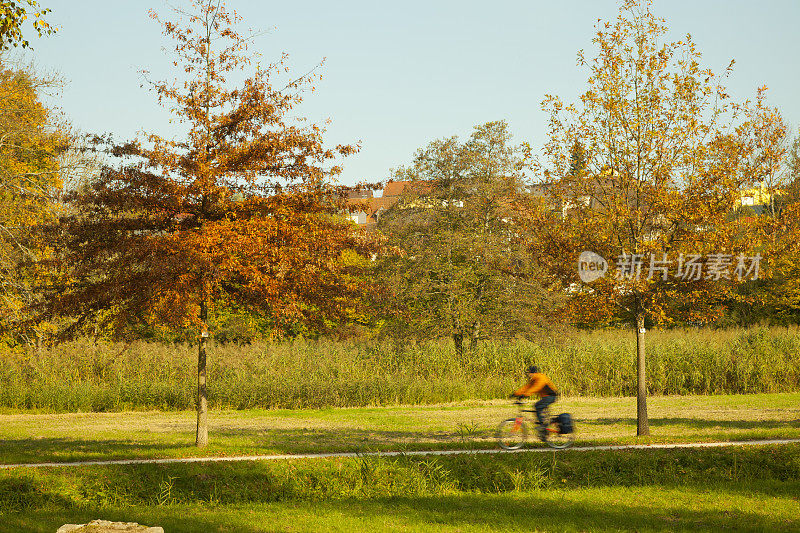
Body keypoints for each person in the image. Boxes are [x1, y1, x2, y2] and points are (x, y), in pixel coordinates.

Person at [511, 365, 559, 440]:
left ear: (533, 373)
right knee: (538, 408)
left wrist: (525, 395)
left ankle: (542, 426)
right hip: (546, 397)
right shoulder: (534, 379)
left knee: (537, 406)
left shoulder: (541, 378)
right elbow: (527, 387)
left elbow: (536, 387)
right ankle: (543, 430)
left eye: (529, 373)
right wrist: (516, 393)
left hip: (551, 396)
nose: (528, 375)